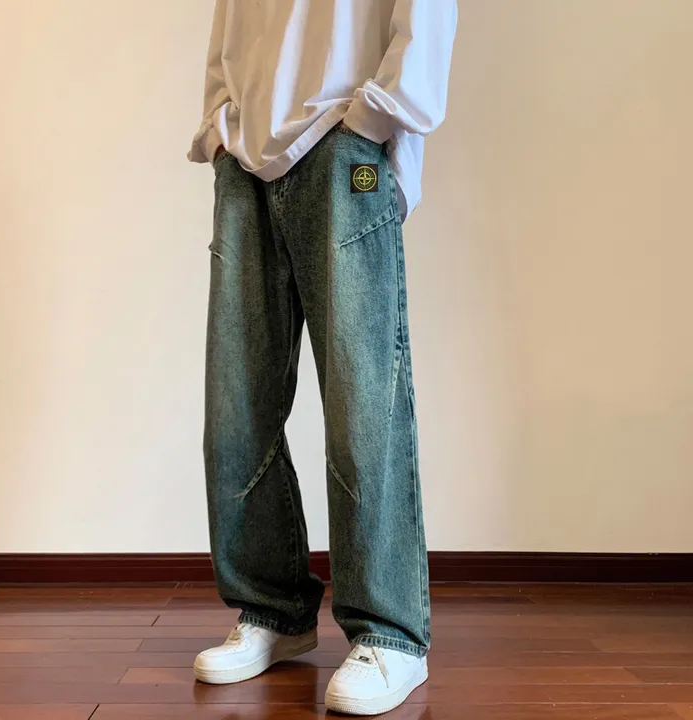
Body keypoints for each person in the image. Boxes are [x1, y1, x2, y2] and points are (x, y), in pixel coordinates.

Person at [188, 1, 457, 714]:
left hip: (344, 145)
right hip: (246, 154)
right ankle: (272, 608)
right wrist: (219, 122)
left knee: (363, 402)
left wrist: (377, 117)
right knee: (236, 407)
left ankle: (390, 634)